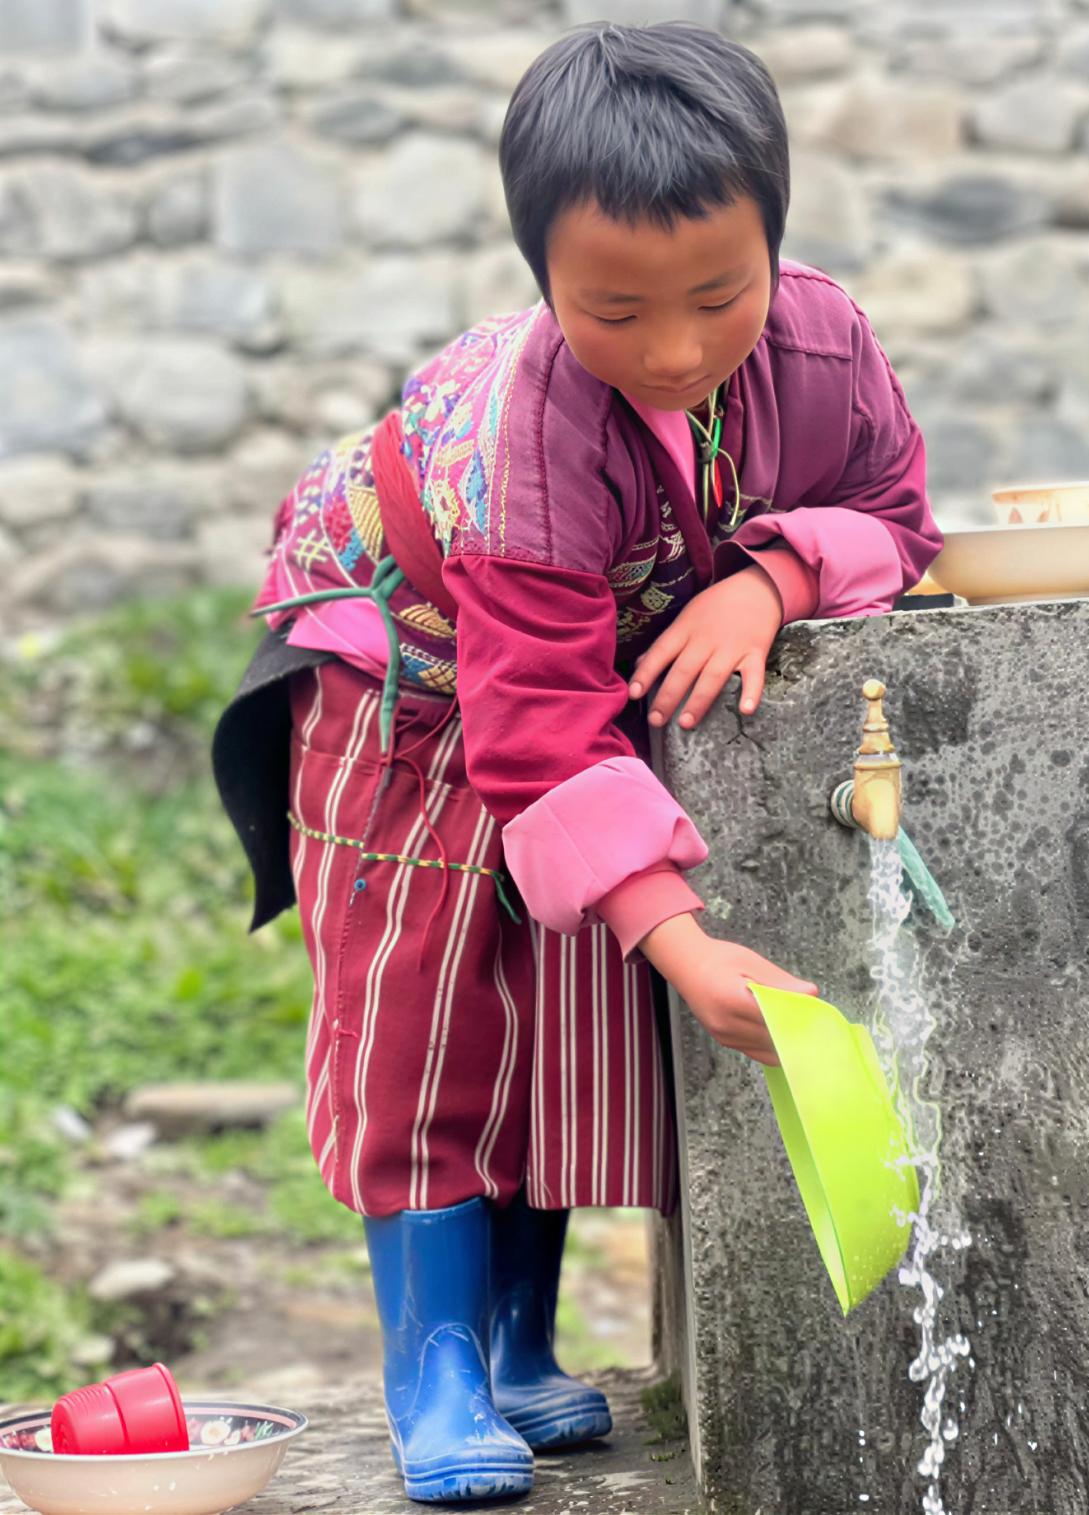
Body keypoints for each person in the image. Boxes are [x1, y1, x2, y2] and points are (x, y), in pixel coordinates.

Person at [211, 19, 942, 1505]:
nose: (672, 351)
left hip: (562, 681)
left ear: (775, 246)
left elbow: (898, 514)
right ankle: (433, 1371)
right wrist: (683, 944)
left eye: (716, 296)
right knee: (425, 1021)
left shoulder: (823, 339)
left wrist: (772, 578)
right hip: (404, 689)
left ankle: (523, 1348)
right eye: (613, 309)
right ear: (540, 276)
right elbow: (534, 727)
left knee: (549, 1015)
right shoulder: (535, 429)